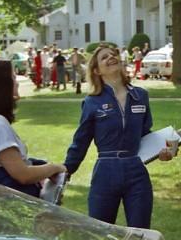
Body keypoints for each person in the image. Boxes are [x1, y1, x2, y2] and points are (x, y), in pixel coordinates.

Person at [63, 45, 174, 229]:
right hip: (106, 171)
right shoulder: (92, 101)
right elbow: (81, 140)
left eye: (113, 55)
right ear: (97, 71)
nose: (111, 58)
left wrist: (163, 151)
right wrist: (67, 169)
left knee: (140, 234)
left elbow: (146, 134)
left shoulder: (140, 96)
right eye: (104, 57)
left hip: (136, 172)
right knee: (100, 233)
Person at [0, 58, 66, 197]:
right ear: (1, 85)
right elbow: (22, 175)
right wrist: (55, 168)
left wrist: (40, 166)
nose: (16, 82)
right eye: (13, 77)